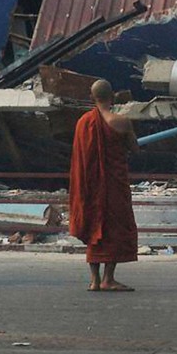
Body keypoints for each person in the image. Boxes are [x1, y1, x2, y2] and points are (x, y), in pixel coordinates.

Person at [69, 79, 140, 292]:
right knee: (114, 229)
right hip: (114, 186)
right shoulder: (122, 122)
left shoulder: (83, 122)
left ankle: (94, 280)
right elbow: (135, 149)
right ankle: (109, 278)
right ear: (113, 96)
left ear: (92, 98)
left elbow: (78, 159)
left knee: (94, 228)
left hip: (90, 187)